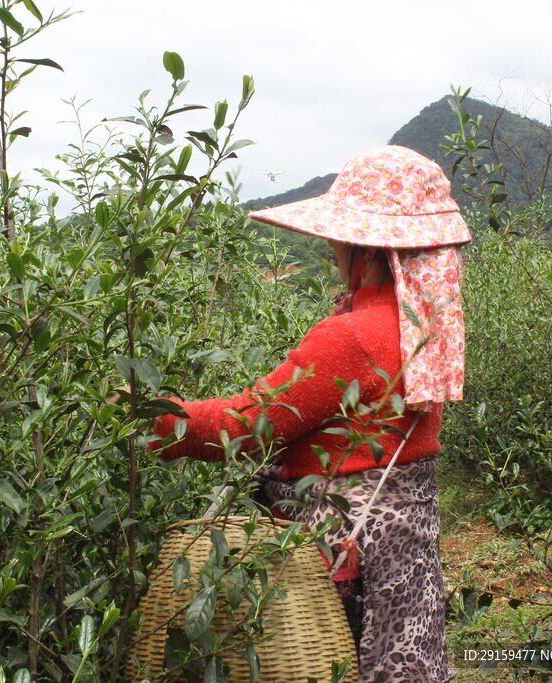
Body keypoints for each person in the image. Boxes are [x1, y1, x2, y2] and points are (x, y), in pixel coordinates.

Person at [150, 145, 470, 682]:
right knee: (396, 661)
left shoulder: (350, 337)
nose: (333, 258)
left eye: (337, 248)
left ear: (366, 254)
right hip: (405, 547)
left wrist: (153, 417)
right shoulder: (426, 332)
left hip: (345, 551)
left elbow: (245, 426)